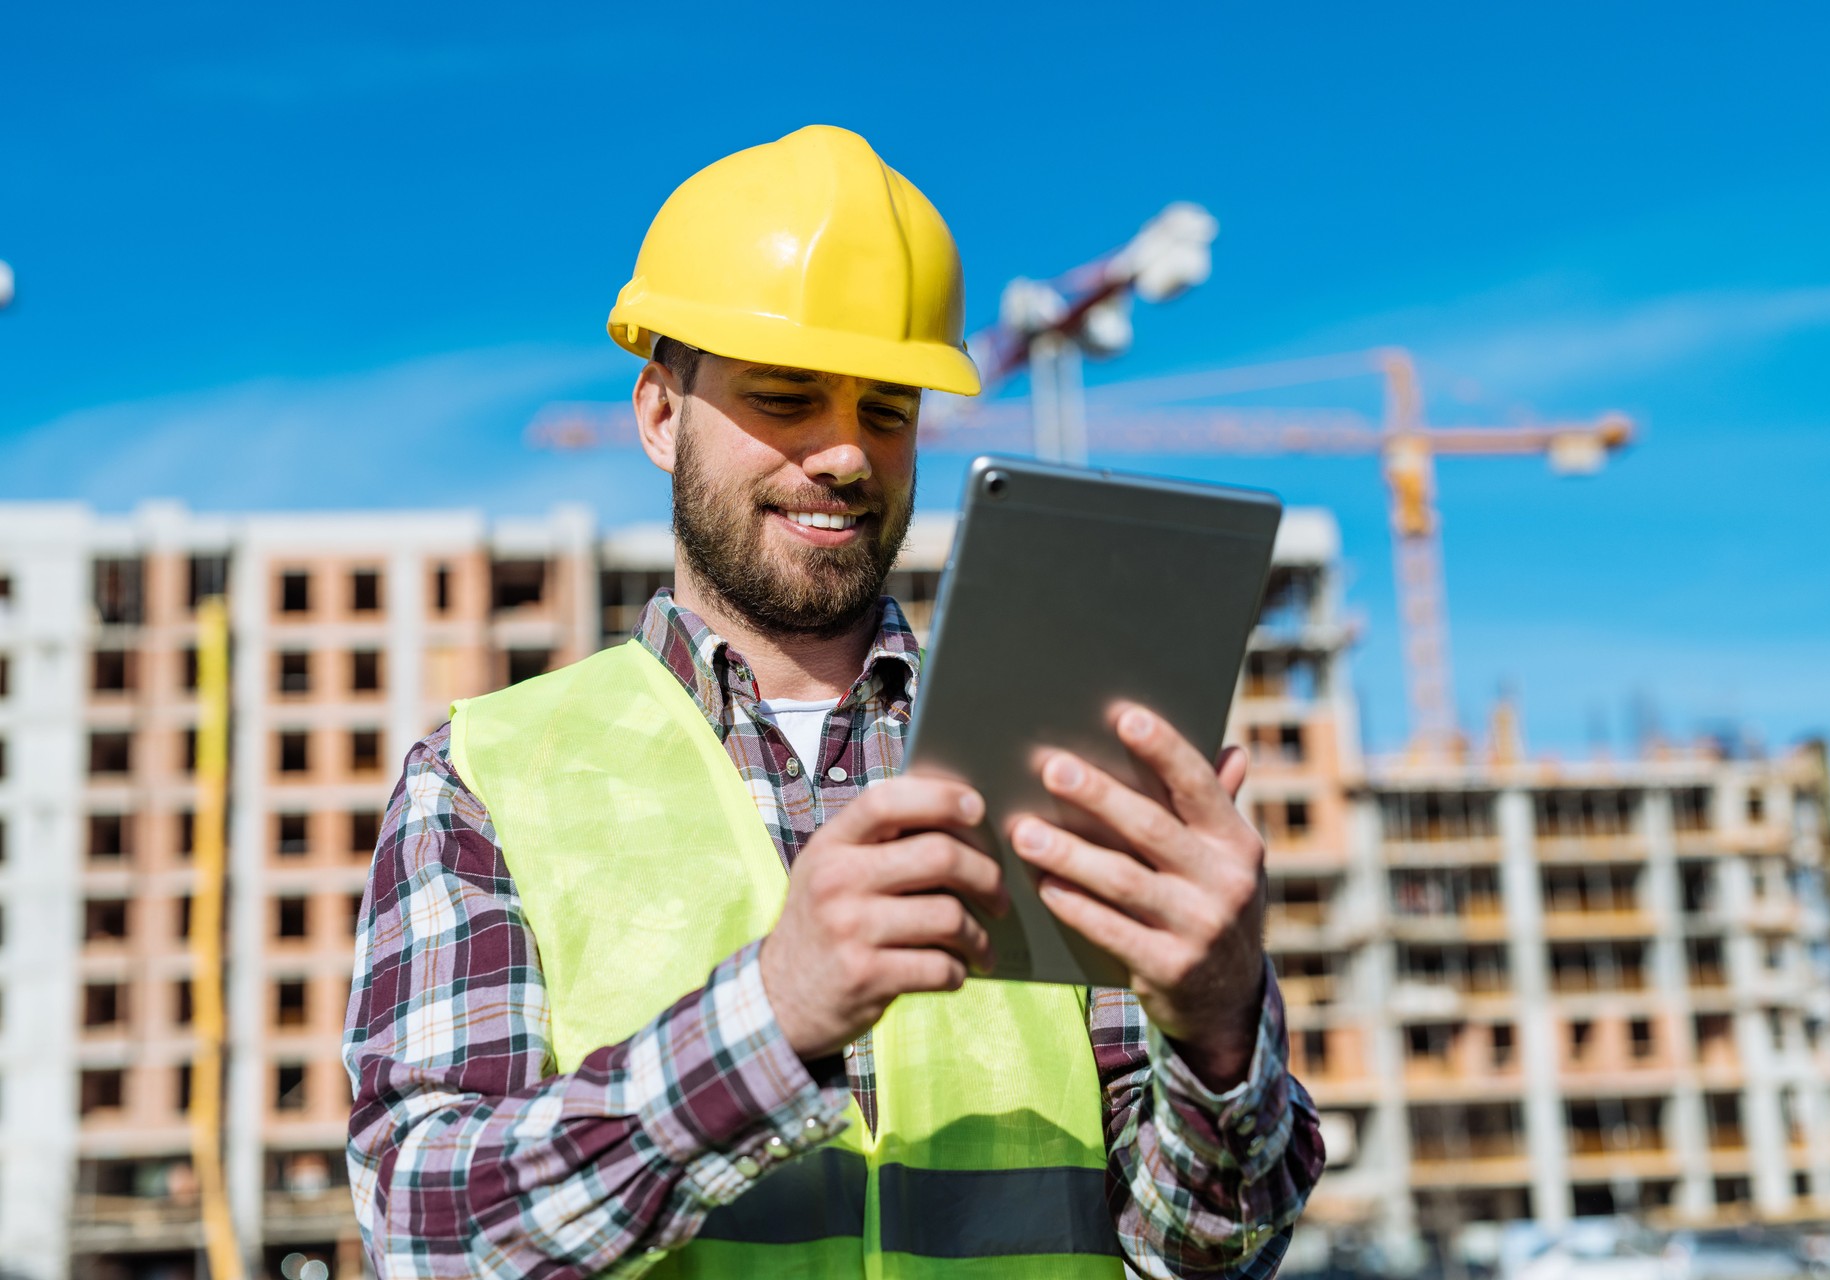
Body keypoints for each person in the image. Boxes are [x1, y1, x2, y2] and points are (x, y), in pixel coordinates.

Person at [343, 124, 1323, 1279]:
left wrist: (1216, 1034)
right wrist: (771, 1015)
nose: (848, 455)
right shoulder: (489, 774)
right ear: (660, 414)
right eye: (788, 397)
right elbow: (426, 1232)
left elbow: (1199, 1254)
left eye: (888, 410)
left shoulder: (1050, 753)